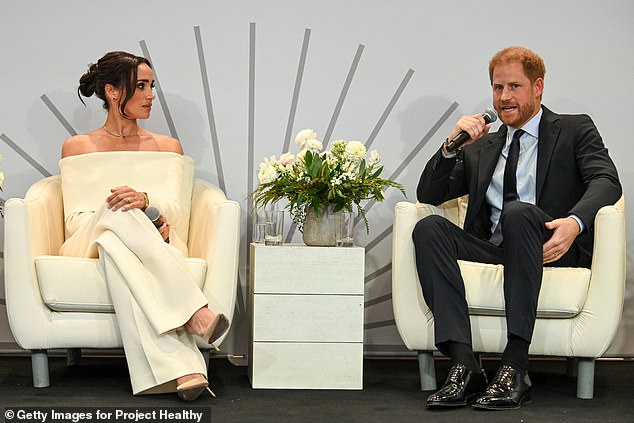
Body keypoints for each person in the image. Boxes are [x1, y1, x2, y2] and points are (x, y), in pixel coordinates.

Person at [412, 46, 621, 410]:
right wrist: (450, 146)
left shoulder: (573, 129)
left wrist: (573, 223)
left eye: (514, 87)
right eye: (497, 88)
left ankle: (515, 365)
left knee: (519, 213)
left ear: (537, 87)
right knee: (429, 228)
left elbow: (606, 181)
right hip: (495, 247)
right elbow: (430, 192)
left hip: (546, 246)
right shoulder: (482, 146)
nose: (504, 97)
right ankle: (464, 364)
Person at [60, 51, 229, 401]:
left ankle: (183, 371)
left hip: (153, 241)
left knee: (116, 245)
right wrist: (126, 208)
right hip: (85, 242)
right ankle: (195, 314)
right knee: (117, 210)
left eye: (152, 86)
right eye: (140, 86)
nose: (151, 95)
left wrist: (148, 210)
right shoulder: (76, 148)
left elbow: (177, 211)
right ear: (112, 91)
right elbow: (75, 220)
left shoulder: (168, 147)